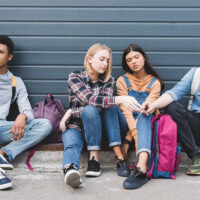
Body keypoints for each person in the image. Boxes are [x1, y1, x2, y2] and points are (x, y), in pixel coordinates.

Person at [60, 43, 140, 188]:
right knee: (71, 143)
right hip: (76, 126)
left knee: (96, 109)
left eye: (108, 60)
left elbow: (102, 108)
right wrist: (120, 99)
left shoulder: (108, 81)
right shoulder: (75, 76)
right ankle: (70, 170)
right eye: (102, 59)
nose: (105, 64)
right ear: (90, 59)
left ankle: (95, 159)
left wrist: (72, 110)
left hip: (99, 128)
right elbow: (90, 99)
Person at [104, 44, 163, 189]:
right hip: (127, 121)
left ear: (144, 58)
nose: (134, 62)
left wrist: (128, 139)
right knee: (110, 108)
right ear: (126, 63)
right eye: (129, 60)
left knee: (145, 112)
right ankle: (120, 159)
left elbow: (147, 110)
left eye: (137, 57)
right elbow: (126, 111)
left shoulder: (155, 82)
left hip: (147, 122)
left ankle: (141, 169)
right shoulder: (122, 81)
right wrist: (136, 136)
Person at [0, 35, 52, 189]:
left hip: (2, 126)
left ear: (9, 57)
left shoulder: (16, 82)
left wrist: (22, 116)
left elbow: (27, 110)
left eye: (0, 52)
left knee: (45, 124)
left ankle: (4, 154)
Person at [144, 67, 200, 176]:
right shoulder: (196, 73)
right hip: (197, 123)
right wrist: (153, 106)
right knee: (172, 107)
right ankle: (196, 156)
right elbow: (173, 93)